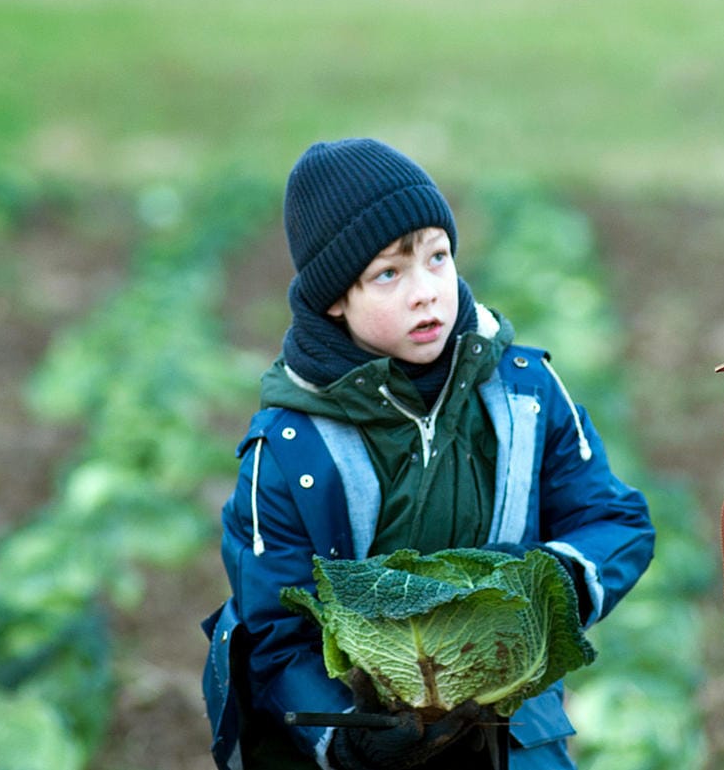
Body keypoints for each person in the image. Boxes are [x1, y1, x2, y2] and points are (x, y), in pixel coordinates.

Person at [200, 138, 656, 769]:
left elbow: (616, 522)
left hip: (514, 731)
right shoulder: (287, 452)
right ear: (335, 299)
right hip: (372, 740)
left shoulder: (525, 392)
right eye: (388, 273)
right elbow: (275, 636)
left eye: (437, 258)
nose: (426, 292)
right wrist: (348, 738)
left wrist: (547, 592)